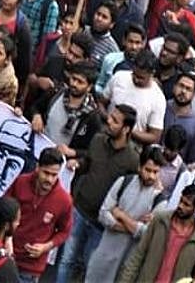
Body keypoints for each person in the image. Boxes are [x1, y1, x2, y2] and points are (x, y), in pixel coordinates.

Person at [57, 104, 140, 283]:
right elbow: (89, 162)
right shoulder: (97, 140)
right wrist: (78, 163)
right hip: (79, 210)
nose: (108, 121)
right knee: (66, 260)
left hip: (100, 224)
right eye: (110, 117)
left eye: (115, 121)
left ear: (126, 129)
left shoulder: (132, 160)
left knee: (89, 268)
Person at [85, 145, 167, 283]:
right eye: (148, 170)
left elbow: (147, 233)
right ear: (140, 167)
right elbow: (103, 214)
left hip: (127, 267)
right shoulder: (124, 182)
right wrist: (135, 226)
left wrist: (121, 215)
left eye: (155, 172)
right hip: (104, 258)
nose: (151, 176)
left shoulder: (159, 201)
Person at [1, 147, 73, 283]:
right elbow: (3, 209)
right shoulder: (21, 182)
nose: (50, 179)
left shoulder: (64, 200)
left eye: (54, 175)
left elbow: (64, 232)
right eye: (46, 173)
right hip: (4, 254)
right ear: (37, 167)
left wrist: (46, 247)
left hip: (30, 269)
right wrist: (8, 237)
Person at [118, 183, 195, 283]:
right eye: (181, 201)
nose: (180, 206)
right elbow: (139, 255)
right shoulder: (160, 220)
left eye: (186, 204)